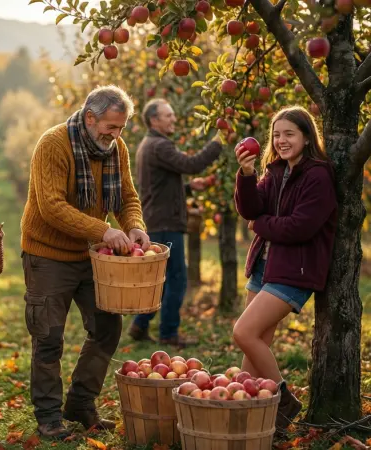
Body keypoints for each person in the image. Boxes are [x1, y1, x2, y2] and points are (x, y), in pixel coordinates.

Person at [20, 85, 148, 439]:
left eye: (121, 128)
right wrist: (102, 231)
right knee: (48, 337)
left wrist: (134, 226)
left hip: (93, 257)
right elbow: (52, 207)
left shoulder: (114, 148)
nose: (116, 134)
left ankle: (79, 402)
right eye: (111, 126)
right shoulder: (54, 144)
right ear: (90, 117)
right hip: (47, 255)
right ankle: (48, 416)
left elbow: (126, 195)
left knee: (107, 328)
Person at [232, 106, 337, 430]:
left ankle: (282, 401)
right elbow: (250, 208)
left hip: (295, 270)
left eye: (289, 134)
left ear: (307, 137)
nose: (281, 140)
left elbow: (299, 228)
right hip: (265, 265)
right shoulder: (274, 171)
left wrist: (260, 224)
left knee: (244, 332)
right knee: (255, 345)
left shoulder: (318, 176)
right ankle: (248, 416)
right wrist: (247, 175)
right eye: (276, 134)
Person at [128, 98, 223, 346]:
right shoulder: (160, 146)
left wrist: (189, 188)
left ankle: (140, 325)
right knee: (177, 278)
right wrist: (217, 143)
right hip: (166, 223)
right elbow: (191, 164)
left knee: (161, 279)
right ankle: (168, 333)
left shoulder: (148, 145)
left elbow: (159, 186)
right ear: (154, 120)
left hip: (157, 220)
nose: (173, 119)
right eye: (168, 115)